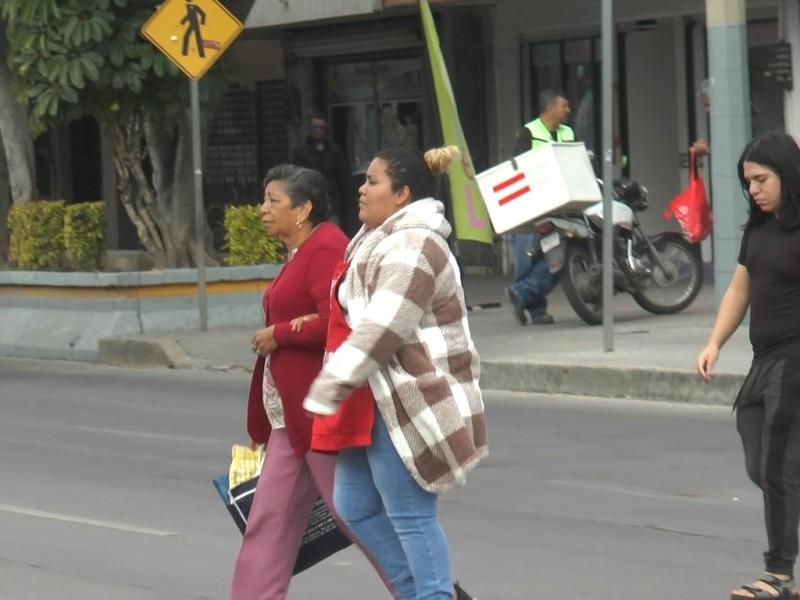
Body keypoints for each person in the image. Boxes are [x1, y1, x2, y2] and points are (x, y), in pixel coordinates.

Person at [303, 145, 488, 600]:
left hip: (408, 398)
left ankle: (433, 596)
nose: (361, 189)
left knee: (409, 516)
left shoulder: (415, 244)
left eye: (373, 181)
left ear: (402, 193)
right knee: (354, 507)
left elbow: (385, 324)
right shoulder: (374, 236)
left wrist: (330, 384)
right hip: (370, 397)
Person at [229, 164, 390, 600]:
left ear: (302, 209)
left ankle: (429, 591)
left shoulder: (325, 247)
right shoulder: (303, 250)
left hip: (322, 414)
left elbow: (338, 322)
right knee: (268, 520)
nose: (263, 210)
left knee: (356, 514)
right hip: (291, 417)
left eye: (273, 201)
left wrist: (280, 333)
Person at [696, 131, 800, 600]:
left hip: (794, 360)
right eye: (748, 182)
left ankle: (778, 574)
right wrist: (715, 341)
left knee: (778, 467)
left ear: (787, 174)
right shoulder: (757, 229)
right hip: (763, 362)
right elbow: (740, 288)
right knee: (760, 462)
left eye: (761, 179)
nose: (753, 189)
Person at [506, 89, 574, 326]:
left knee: (559, 255)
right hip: (531, 205)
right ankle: (536, 311)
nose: (568, 110)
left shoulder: (568, 132)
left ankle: (522, 294)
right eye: (564, 106)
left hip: (560, 204)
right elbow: (519, 166)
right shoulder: (528, 132)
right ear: (550, 108)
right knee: (526, 258)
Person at [289, 112, 353, 230]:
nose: (319, 131)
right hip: (309, 204)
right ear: (310, 128)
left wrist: (346, 204)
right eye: (315, 127)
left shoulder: (335, 152)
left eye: (322, 128)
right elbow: (295, 180)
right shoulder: (300, 152)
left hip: (332, 204)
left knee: (333, 235)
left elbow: (344, 180)